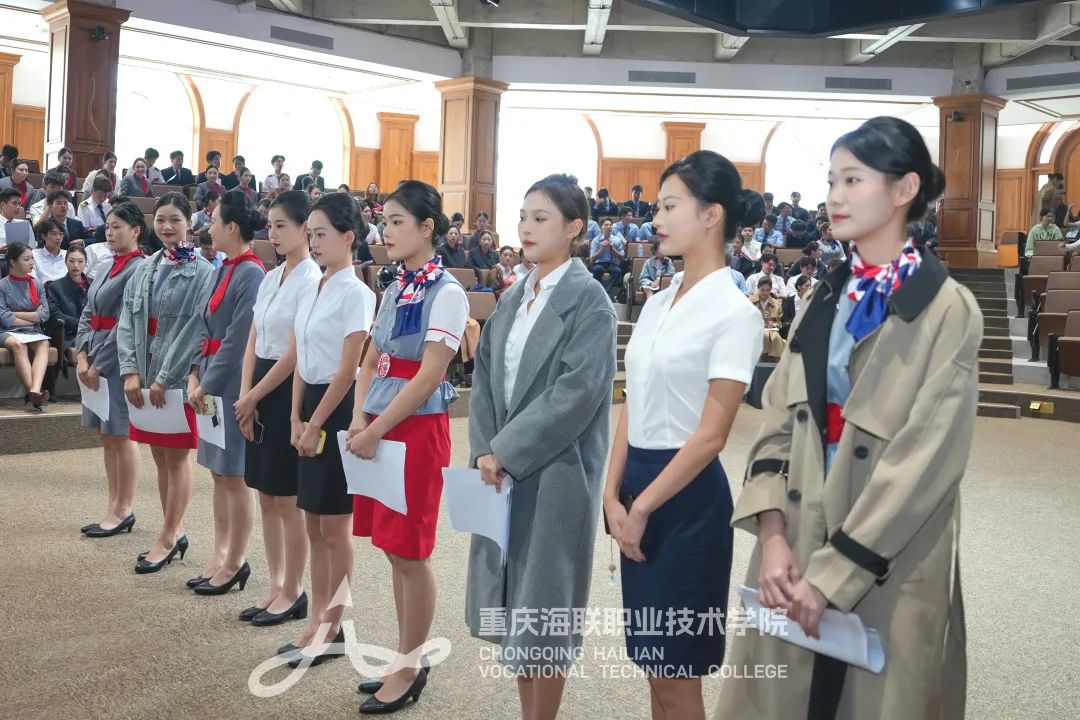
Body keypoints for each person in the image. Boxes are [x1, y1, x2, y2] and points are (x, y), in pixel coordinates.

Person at [715, 116, 977, 720]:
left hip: (890, 563)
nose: (834, 195)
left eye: (852, 180)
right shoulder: (824, 294)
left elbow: (925, 463)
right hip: (794, 546)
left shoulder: (948, 310)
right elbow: (777, 420)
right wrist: (773, 537)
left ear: (905, 189)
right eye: (831, 180)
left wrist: (833, 576)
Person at [605, 151, 763, 720]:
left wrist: (643, 506)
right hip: (636, 485)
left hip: (686, 496)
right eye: (658, 207)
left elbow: (712, 436)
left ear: (712, 215)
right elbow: (634, 400)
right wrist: (611, 494)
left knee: (677, 675)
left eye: (670, 207)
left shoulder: (735, 313)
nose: (657, 219)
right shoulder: (657, 301)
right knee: (653, 665)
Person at [466, 173, 616, 720]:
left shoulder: (590, 302)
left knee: (544, 614)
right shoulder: (513, 295)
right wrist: (485, 449)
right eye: (524, 216)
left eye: (541, 218)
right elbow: (484, 382)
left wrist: (505, 450)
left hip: (557, 472)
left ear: (573, 228)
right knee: (515, 610)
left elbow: (575, 395)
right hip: (502, 469)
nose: (526, 228)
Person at [341, 180, 465, 713]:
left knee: (411, 550)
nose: (385, 231)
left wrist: (375, 428)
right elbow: (372, 357)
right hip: (378, 420)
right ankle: (403, 656)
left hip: (416, 428)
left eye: (396, 222)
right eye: (384, 221)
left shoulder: (448, 292)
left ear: (426, 227)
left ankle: (412, 664)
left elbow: (430, 374)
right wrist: (358, 414)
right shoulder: (395, 286)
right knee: (392, 548)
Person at [277, 193, 376, 669]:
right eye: (310, 234)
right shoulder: (313, 286)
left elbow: (348, 368)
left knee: (335, 527)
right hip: (307, 407)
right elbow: (300, 356)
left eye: (322, 234)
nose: (314, 243)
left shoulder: (357, 293)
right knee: (312, 522)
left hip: (337, 411)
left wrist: (314, 421)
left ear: (348, 237)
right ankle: (317, 618)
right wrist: (295, 417)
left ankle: (334, 626)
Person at [234, 190, 321, 626]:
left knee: (287, 498)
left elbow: (293, 352)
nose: (273, 233)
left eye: (281, 225)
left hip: (288, 387)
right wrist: (245, 392)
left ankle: (294, 589)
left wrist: (254, 396)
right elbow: (253, 337)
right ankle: (274, 585)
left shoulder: (311, 279)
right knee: (265, 493)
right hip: (257, 384)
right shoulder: (271, 277)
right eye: (270, 226)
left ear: (305, 228)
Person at [118, 192, 215, 576]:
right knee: (159, 455)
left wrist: (164, 378)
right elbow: (128, 319)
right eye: (160, 219)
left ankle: (169, 534)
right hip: (144, 371)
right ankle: (173, 529)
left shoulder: (203, 271)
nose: (167, 226)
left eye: (175, 219)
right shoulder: (145, 266)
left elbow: (196, 328)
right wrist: (131, 371)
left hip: (175, 377)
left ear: (189, 223)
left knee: (177, 457)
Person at [186, 191, 267, 595]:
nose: (209, 227)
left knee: (234, 475)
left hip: (232, 384)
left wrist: (206, 383)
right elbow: (205, 328)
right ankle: (219, 555)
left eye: (215, 220)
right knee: (218, 473)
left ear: (232, 227)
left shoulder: (252, 273)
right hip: (210, 379)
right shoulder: (223, 267)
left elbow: (237, 341)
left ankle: (236, 560)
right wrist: (193, 373)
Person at [75, 201, 146, 539]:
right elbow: (88, 312)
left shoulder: (140, 268)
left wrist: (98, 364)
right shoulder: (106, 265)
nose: (110, 232)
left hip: (118, 360)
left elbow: (126, 323)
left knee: (122, 433)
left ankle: (124, 508)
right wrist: (81, 355)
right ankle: (112, 505)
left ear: (136, 231)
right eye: (108, 226)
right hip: (93, 354)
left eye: (118, 227)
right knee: (106, 435)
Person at [0, 242, 51, 407]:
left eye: (32, 259)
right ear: (12, 262)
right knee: (18, 345)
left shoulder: (37, 284)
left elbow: (44, 315)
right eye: (26, 259)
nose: (31, 262)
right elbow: (5, 319)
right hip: (7, 331)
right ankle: (35, 393)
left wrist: (15, 313)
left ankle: (34, 392)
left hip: (32, 331)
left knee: (44, 342)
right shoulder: (2, 285)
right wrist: (33, 316)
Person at [47, 245, 89, 350]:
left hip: (92, 333)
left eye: (80, 261)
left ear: (86, 263)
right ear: (65, 262)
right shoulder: (55, 287)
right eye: (71, 261)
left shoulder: (94, 285)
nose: (76, 265)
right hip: (68, 335)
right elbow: (55, 315)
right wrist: (81, 325)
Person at [748, 276, 785, 359]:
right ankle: (773, 361)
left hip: (771, 332)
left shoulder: (776, 304)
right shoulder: (749, 302)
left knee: (776, 337)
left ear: (771, 289)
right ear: (758, 288)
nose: (765, 293)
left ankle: (773, 363)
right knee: (770, 337)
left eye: (768, 290)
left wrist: (773, 324)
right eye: (762, 290)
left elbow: (779, 323)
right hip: (753, 332)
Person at [589, 217, 625, 296]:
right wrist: (602, 249)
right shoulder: (596, 240)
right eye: (606, 225)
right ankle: (599, 292)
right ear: (601, 228)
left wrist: (613, 249)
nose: (609, 227)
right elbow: (592, 258)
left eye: (610, 225)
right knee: (597, 269)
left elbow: (622, 257)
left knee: (618, 271)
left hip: (612, 263)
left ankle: (604, 293)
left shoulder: (617, 240)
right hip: (600, 263)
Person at [31, 218, 68, 282]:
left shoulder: (68, 255)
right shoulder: (34, 255)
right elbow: (33, 281)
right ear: (43, 236)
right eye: (54, 234)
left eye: (60, 234)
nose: (58, 237)